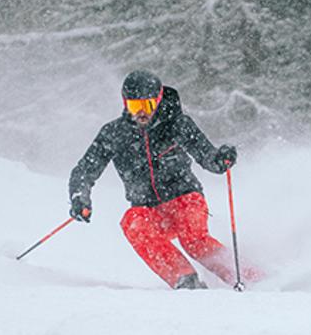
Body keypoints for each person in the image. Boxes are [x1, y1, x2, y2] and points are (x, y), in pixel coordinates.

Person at [69, 69, 250, 290]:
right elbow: (85, 170)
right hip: (149, 210)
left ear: (158, 100)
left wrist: (221, 160)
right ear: (125, 103)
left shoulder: (177, 124)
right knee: (132, 221)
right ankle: (184, 279)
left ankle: (248, 276)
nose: (141, 113)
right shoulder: (114, 134)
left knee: (194, 240)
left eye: (147, 106)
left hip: (185, 199)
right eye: (135, 107)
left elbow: (207, 156)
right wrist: (80, 197)